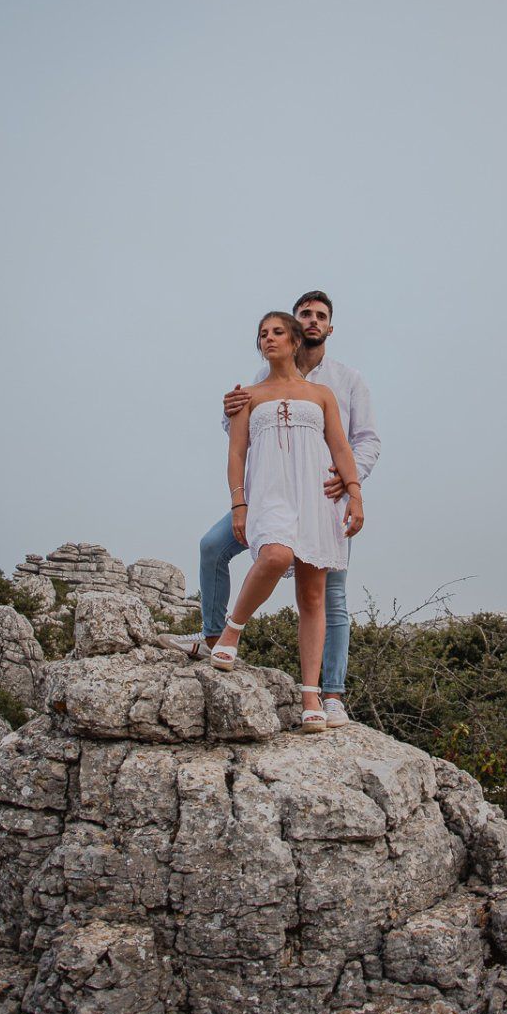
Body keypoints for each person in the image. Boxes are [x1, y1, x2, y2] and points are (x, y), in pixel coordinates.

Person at [160, 290, 381, 728]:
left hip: (321, 495)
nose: (312, 322)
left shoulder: (344, 380)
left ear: (326, 328)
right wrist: (228, 415)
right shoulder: (258, 379)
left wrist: (351, 484)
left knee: (326, 595)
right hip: (269, 494)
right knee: (214, 547)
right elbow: (239, 436)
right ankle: (213, 636)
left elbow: (361, 440)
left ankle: (328, 694)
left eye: (320, 316)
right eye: (305, 315)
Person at [202, 310, 364, 731]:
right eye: (262, 334)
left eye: (277, 332)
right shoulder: (248, 396)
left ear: (294, 342)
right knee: (273, 555)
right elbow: (236, 453)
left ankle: (312, 696)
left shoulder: (324, 393)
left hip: (316, 498)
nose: (268, 338)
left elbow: (342, 448)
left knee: (313, 597)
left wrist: (355, 494)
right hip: (269, 495)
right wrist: (239, 504)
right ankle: (231, 631)